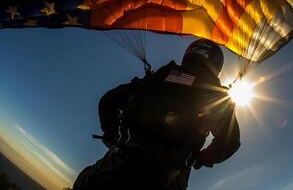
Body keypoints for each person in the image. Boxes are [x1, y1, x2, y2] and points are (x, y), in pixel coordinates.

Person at [73, 39, 241, 190]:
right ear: (216, 65)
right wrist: (202, 158)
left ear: (189, 53)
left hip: (122, 163)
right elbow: (230, 141)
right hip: (167, 178)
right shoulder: (217, 96)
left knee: (83, 182)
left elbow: (108, 101)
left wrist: (113, 135)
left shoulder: (155, 79)